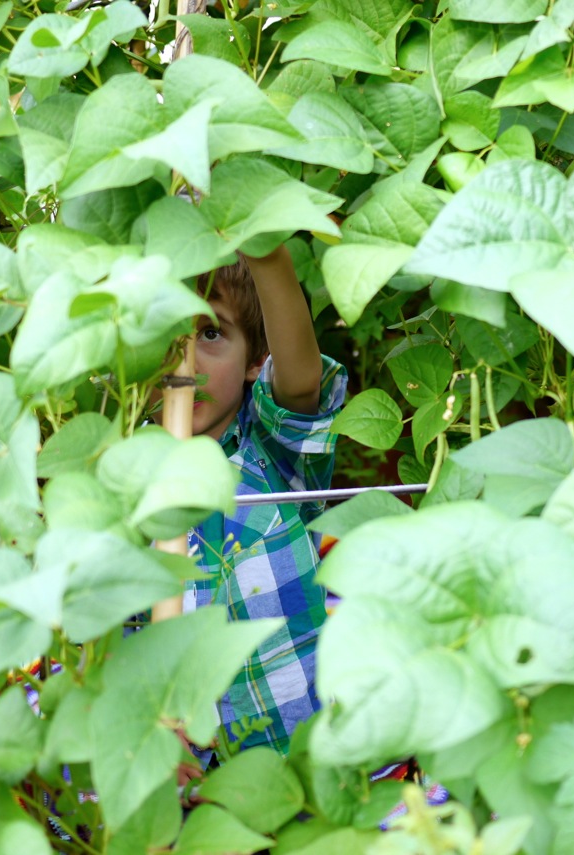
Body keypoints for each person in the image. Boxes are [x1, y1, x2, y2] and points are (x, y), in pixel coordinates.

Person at [175, 244, 347, 784]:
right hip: (185, 782)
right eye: (163, 332)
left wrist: (267, 251)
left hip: (302, 762)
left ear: (255, 361)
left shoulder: (269, 454)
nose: (183, 362)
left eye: (209, 333)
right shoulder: (116, 479)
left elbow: (299, 383)